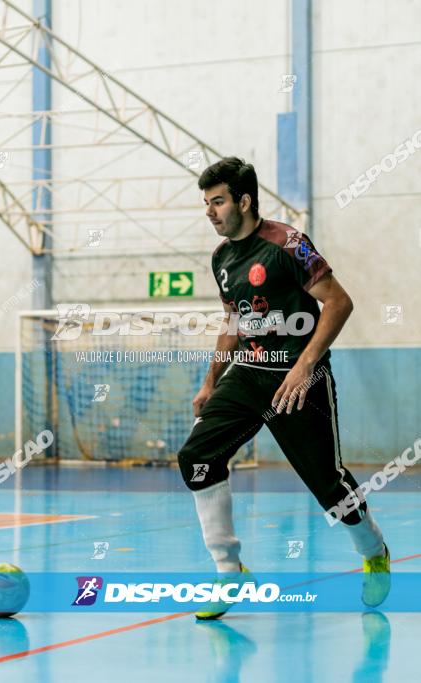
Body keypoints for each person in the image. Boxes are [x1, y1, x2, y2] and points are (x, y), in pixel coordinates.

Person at [177, 157, 390, 620]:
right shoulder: (222, 259)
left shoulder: (287, 243)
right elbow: (234, 321)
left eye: (218, 202)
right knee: (196, 457)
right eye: (206, 203)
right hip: (249, 374)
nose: (209, 212)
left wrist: (303, 366)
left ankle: (373, 549)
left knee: (328, 486)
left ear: (245, 201)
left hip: (300, 379)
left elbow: (338, 302)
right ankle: (229, 572)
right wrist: (211, 380)